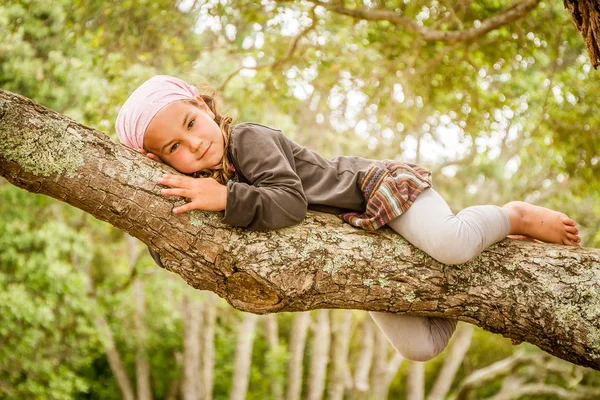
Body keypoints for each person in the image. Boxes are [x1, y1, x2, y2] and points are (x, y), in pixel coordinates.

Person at [116, 75, 581, 362]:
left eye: (191, 124)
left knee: (452, 243)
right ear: (161, 162)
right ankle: (467, 291)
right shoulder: (208, 182)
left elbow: (289, 202)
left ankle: (511, 214)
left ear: (205, 106)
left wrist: (222, 198)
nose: (193, 144)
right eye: (173, 147)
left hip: (374, 189)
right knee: (420, 348)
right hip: (358, 235)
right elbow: (175, 234)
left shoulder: (248, 140)